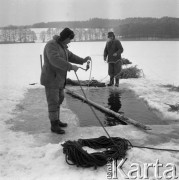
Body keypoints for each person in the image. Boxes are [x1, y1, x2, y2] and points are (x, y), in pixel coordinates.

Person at [40, 28, 91, 134]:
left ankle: (56, 120)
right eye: (69, 38)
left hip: (59, 79)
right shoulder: (52, 45)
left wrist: (82, 60)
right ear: (65, 37)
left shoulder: (62, 46)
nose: (70, 41)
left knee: (60, 98)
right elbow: (55, 60)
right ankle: (54, 125)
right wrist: (70, 66)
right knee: (53, 101)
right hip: (51, 79)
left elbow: (70, 56)